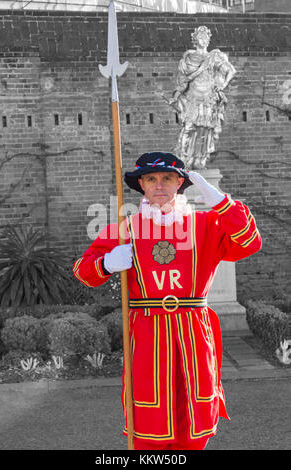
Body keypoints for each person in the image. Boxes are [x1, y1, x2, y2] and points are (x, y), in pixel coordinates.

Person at [73, 151, 261, 450]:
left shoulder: (206, 224)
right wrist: (107, 263)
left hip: (193, 330)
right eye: (151, 179)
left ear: (179, 184)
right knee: (149, 418)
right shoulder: (125, 230)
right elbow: (83, 272)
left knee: (194, 412)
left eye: (167, 178)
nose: (159, 185)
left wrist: (223, 204)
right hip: (146, 332)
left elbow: (250, 242)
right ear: (142, 186)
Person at [168, 26, 236, 169]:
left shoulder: (213, 57)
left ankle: (200, 159)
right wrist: (177, 94)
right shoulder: (188, 58)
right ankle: (183, 157)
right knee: (189, 127)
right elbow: (182, 80)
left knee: (205, 129)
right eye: (200, 37)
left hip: (209, 98)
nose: (203, 40)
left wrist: (222, 85)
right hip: (192, 97)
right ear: (195, 40)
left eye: (205, 38)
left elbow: (231, 71)